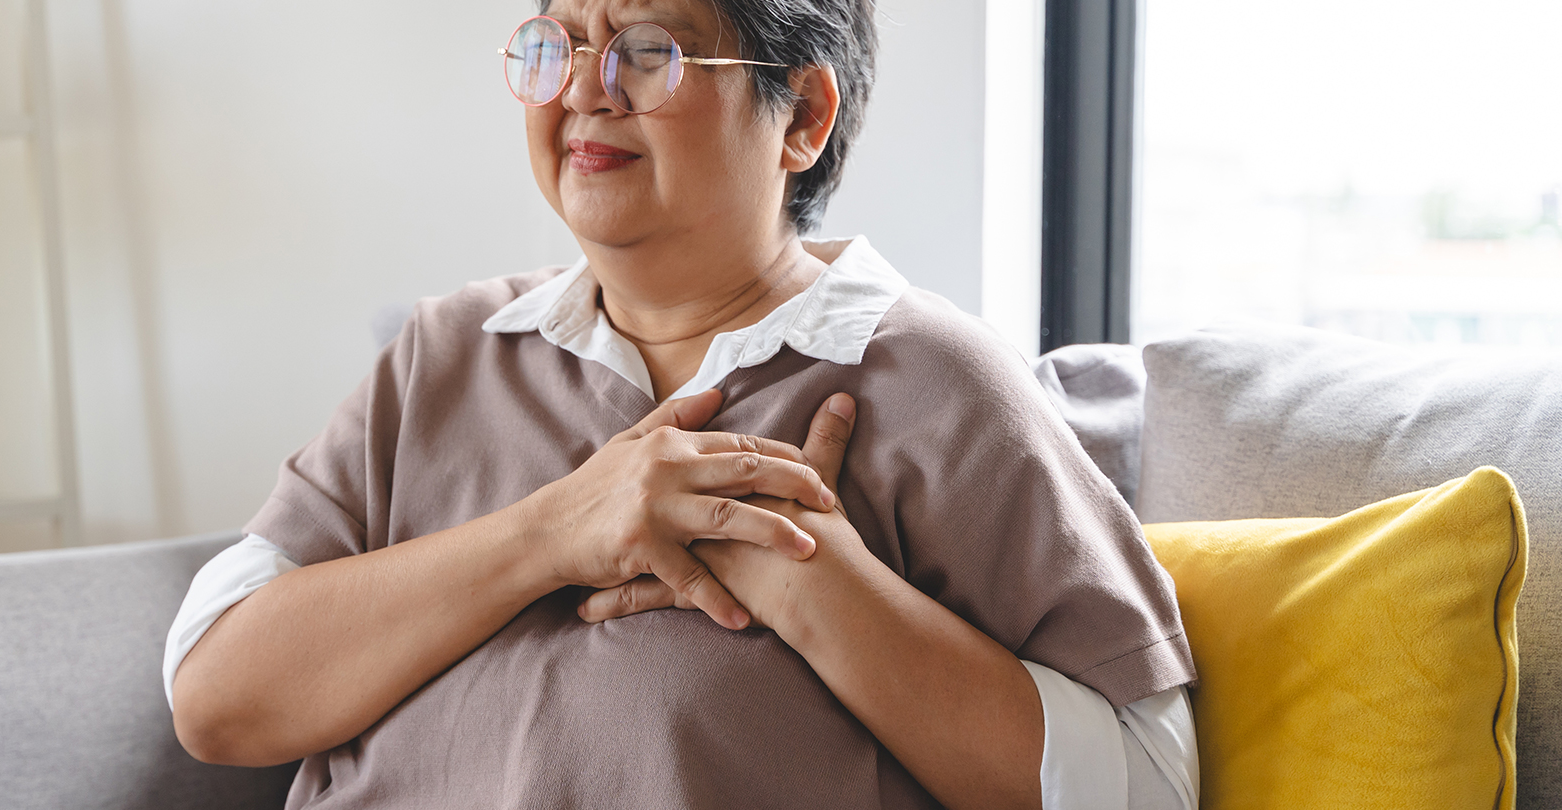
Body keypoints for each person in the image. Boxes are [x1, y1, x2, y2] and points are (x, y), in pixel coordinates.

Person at [165, 0, 1198, 807]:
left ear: (801, 115)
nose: (585, 91)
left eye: (649, 49)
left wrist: (811, 586)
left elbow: (1148, 784)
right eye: (559, 45)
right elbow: (214, 693)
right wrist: (553, 533)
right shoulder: (447, 352)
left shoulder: (931, 379)